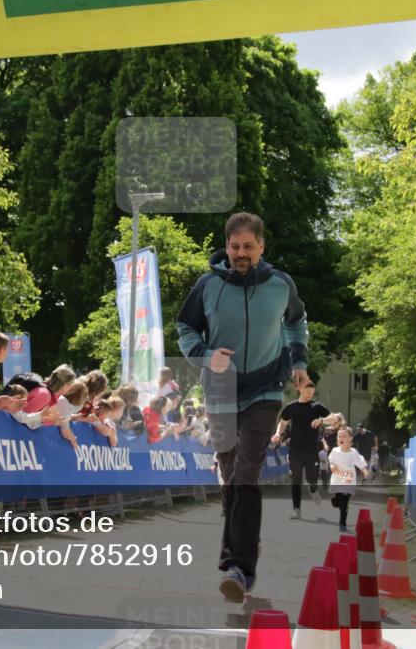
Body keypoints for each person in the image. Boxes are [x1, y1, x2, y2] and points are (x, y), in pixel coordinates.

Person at [177, 211, 309, 603]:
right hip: (220, 389)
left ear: (261, 246)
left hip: (265, 389)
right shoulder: (208, 285)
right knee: (230, 473)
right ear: (227, 246)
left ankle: (238, 567)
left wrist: (298, 361)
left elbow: (296, 322)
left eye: (248, 246)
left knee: (247, 472)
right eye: (235, 246)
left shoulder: (280, 284)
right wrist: (205, 355)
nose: (241, 253)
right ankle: (245, 540)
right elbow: (186, 328)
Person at [271, 376, 337, 520]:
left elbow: (334, 419)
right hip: (295, 450)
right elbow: (282, 422)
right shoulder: (291, 407)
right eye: (307, 391)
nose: (309, 394)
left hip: (311, 450)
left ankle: (313, 488)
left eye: (312, 392)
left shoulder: (317, 407)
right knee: (296, 480)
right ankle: (297, 510)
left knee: (312, 478)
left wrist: (321, 420)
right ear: (299, 389)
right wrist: (277, 433)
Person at [329, 426, 371, 532]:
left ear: (350, 438)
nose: (341, 438)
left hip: (349, 481)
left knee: (344, 503)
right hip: (337, 480)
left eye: (344, 436)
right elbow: (331, 461)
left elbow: (360, 462)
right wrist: (332, 466)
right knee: (336, 502)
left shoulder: (353, 452)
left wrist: (365, 471)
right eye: (339, 436)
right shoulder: (335, 451)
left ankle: (342, 524)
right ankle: (337, 502)